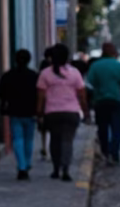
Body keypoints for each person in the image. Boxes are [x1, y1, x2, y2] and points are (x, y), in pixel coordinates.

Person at [36, 44, 88, 181]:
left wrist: (39, 113)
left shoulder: (45, 73)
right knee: (67, 141)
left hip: (52, 112)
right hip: (71, 112)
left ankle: (55, 168)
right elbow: (82, 95)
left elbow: (41, 96)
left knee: (55, 140)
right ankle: (66, 169)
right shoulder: (75, 73)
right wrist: (85, 112)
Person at [0, 49, 39, 180]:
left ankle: (21, 166)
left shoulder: (8, 75)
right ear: (29, 60)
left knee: (17, 139)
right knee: (29, 140)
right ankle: (26, 163)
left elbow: (0, 92)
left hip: (15, 112)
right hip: (31, 112)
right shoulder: (34, 76)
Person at [84, 42, 120, 165]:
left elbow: (90, 82)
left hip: (100, 100)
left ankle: (105, 152)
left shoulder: (95, 66)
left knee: (102, 128)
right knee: (117, 128)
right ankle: (115, 153)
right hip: (116, 99)